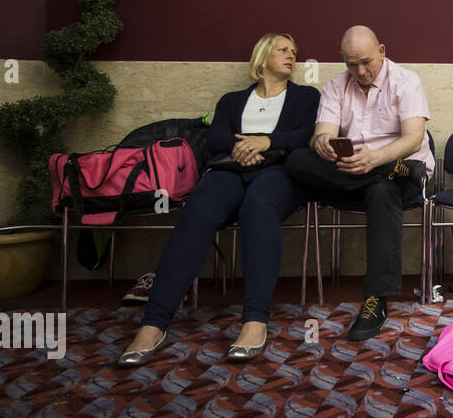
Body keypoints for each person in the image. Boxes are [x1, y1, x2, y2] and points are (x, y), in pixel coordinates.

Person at [118, 33, 320, 367]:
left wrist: (264, 143)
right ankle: (153, 323)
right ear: (262, 56)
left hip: (279, 173)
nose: (292, 56)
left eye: (294, 52)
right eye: (283, 50)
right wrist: (244, 149)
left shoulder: (306, 97)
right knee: (198, 210)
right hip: (230, 170)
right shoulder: (231, 100)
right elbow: (216, 139)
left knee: (258, 206)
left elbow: (307, 135)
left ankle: (255, 320)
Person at [286, 25, 434, 340]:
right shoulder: (335, 86)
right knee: (297, 159)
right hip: (354, 171)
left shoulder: (406, 81)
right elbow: (320, 134)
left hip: (398, 168)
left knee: (383, 189)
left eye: (366, 62)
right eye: (351, 64)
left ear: (382, 51)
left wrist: (376, 158)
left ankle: (375, 301)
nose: (360, 71)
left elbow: (413, 139)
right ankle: (377, 176)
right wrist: (323, 142)